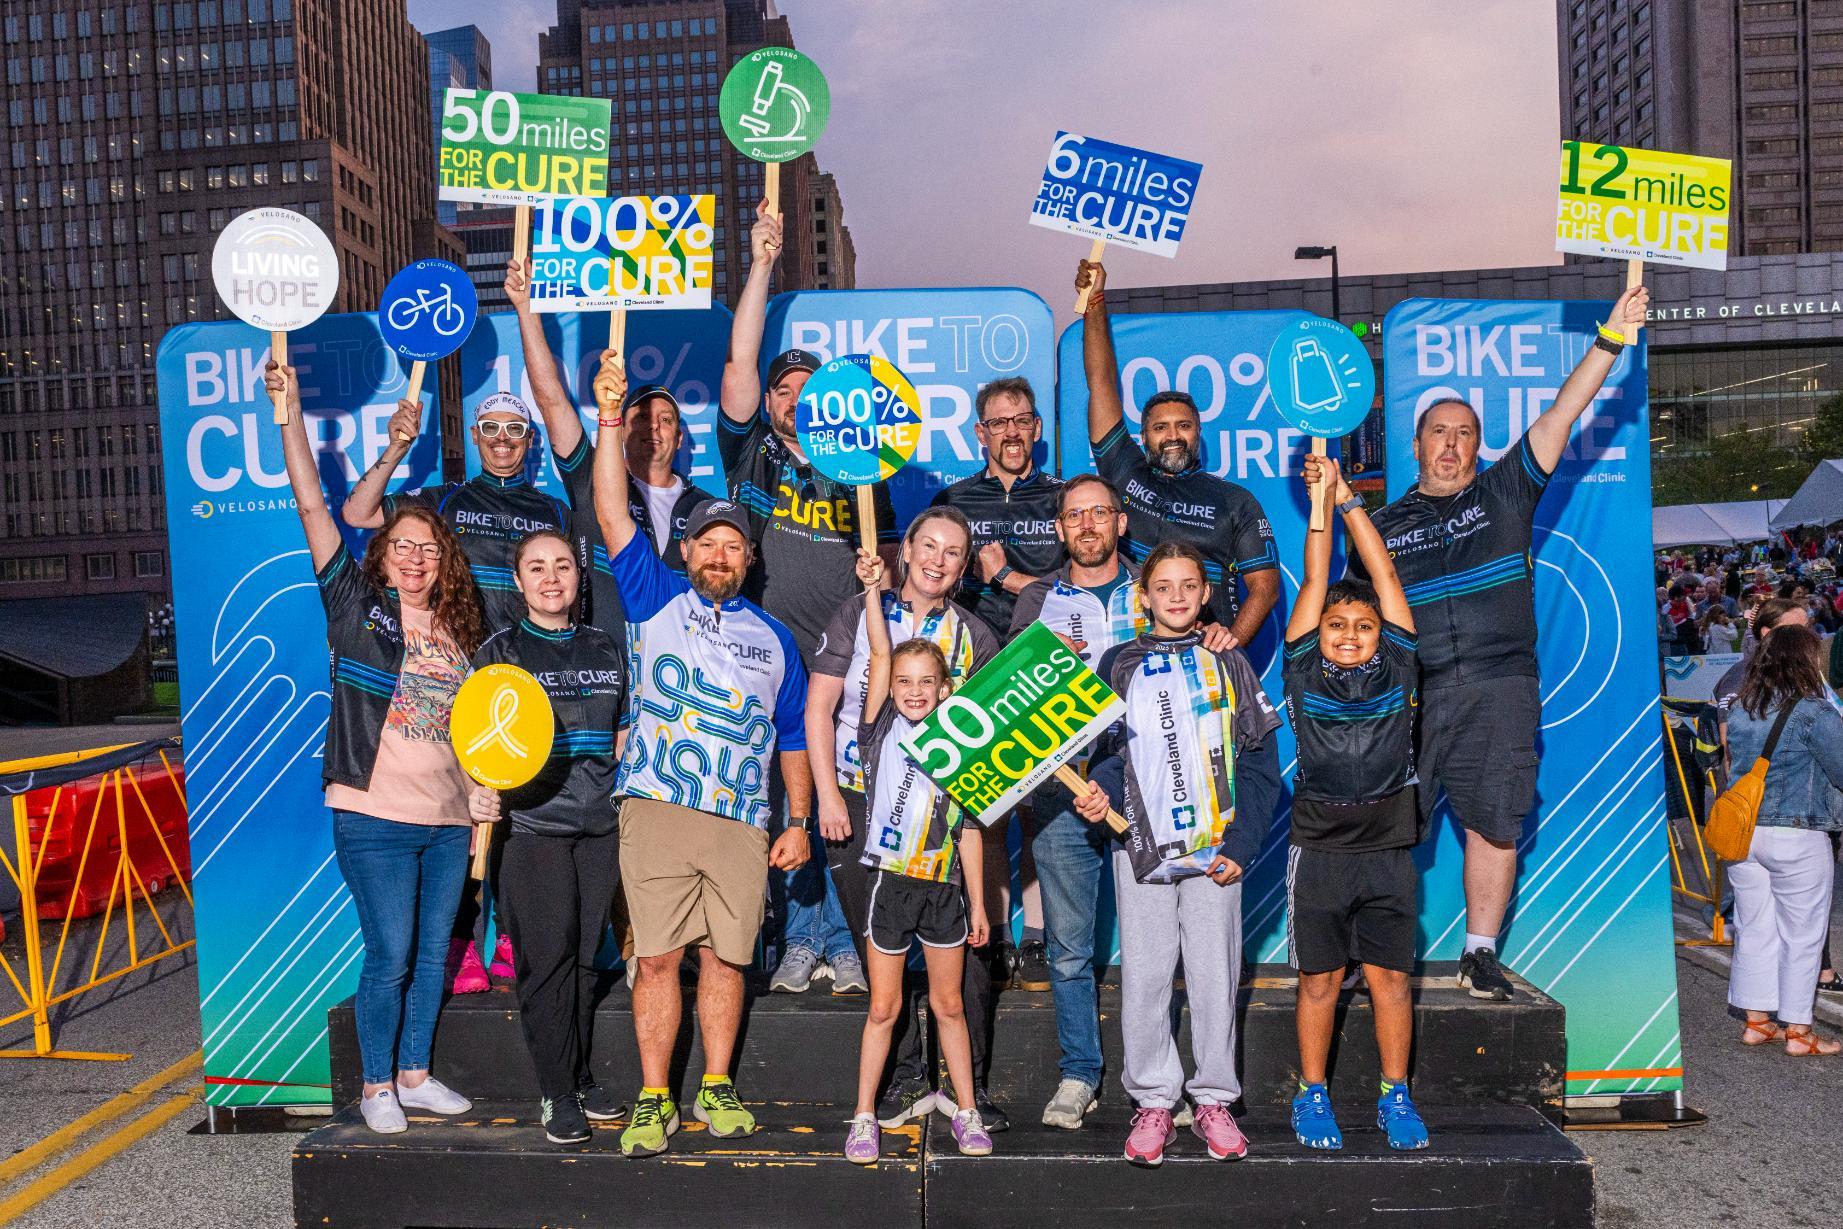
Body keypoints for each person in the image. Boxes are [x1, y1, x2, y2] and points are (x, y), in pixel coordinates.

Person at [1336, 281, 1651, 1001]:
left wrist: (1610, 336)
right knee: (1385, 828)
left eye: (1462, 433)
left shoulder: (1506, 491)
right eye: (1437, 432)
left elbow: (1564, 410)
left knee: (1496, 822)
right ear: (1415, 444)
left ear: (1478, 446)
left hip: (1500, 686)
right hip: (1409, 696)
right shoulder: (1379, 529)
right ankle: (1366, 950)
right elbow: (1349, 621)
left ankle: (1478, 954)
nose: (1449, 444)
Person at [588, 351, 815, 1157]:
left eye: (733, 546)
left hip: (741, 821)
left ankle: (715, 1084)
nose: (720, 555)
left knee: (727, 959)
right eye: (707, 543)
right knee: (656, 961)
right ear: (683, 551)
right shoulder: (653, 597)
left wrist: (798, 819)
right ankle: (655, 1096)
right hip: (656, 808)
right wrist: (608, 418)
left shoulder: (775, 637)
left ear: (749, 559)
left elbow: (794, 735)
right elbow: (610, 509)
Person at [270, 360, 486, 1135]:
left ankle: (415, 1074)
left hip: (449, 821)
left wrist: (482, 792)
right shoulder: (356, 609)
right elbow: (312, 503)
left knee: (432, 955)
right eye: (403, 545)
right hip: (374, 815)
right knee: (390, 953)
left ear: (444, 560)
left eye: (430, 547)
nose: (417, 557)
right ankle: (375, 1085)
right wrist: (290, 413)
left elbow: (477, 730)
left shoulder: (461, 630)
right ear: (382, 554)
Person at [341, 369, 578, 995]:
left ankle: (509, 937)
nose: (502, 439)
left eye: (515, 430)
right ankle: (459, 943)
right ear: (475, 436)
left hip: (530, 679)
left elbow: (573, 589)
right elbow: (358, 512)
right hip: (459, 677)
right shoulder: (444, 501)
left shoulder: (554, 510)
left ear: (529, 440)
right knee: (460, 815)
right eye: (491, 428)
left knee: (518, 814)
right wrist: (395, 448)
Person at [716, 201, 897, 996]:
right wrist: (761, 261)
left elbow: (889, 554)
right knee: (782, 798)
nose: (792, 398)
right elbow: (739, 361)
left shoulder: (860, 464)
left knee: (841, 796)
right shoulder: (751, 449)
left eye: (806, 388)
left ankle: (845, 941)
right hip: (764, 653)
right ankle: (798, 938)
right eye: (782, 389)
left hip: (844, 656)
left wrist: (881, 573)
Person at [1078, 541, 1282, 1166]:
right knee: (1144, 977)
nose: (1176, 597)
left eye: (1188, 585)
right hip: (1141, 848)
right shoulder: (1118, 662)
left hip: (1216, 851)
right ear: (1143, 597)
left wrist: (1243, 845)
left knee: (1215, 976)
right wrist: (1100, 795)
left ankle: (1214, 1099)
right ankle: (1154, 1102)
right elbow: (1108, 755)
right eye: (1162, 587)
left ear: (1205, 594)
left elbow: (1260, 762)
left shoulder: (1229, 660)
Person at [809, 506, 1003, 1129]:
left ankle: (966, 1090)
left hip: (943, 811)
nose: (937, 560)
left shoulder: (976, 635)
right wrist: (827, 797)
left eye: (953, 551)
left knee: (962, 956)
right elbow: (819, 709)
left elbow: (994, 732)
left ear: (964, 566)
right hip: (858, 800)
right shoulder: (857, 611)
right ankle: (905, 1078)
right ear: (907, 549)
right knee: (881, 955)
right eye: (929, 545)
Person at [1283, 456, 1430, 1153]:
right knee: (1320, 981)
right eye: (1337, 624)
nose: (1348, 633)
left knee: (1391, 979)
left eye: (1362, 625)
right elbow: (1316, 578)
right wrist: (1321, 498)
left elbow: (1387, 577)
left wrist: (1348, 502)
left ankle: (1394, 1093)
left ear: (1380, 633)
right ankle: (1311, 1093)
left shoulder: (1399, 664)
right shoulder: (1302, 666)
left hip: (1387, 851)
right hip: (1320, 850)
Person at [472, 529, 629, 1146]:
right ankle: (556, 1092)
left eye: (562, 565)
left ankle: (581, 1078)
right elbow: (475, 741)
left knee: (587, 959)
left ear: (578, 576)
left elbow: (623, 730)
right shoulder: (499, 654)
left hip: (601, 828)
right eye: (536, 568)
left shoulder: (606, 646)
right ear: (518, 582)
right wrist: (475, 791)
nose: (551, 578)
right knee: (547, 962)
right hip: (533, 828)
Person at [843, 551, 995, 1164]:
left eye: (925, 682)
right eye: (903, 682)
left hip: (944, 889)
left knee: (950, 1005)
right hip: (890, 885)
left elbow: (970, 830)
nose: (912, 691)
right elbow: (880, 653)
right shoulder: (878, 730)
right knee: (883, 1008)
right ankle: (862, 1117)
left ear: (944, 688)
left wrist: (978, 904)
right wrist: (873, 592)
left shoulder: (958, 744)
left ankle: (967, 1110)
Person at [1005, 474, 1147, 1130]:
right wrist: (1040, 665)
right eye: (1074, 516)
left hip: (1149, 786)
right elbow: (1009, 692)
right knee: (1067, 949)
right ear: (1060, 529)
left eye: (1099, 512)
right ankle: (1079, 1073)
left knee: (1155, 946)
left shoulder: (1156, 586)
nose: (1087, 524)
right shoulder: (1038, 598)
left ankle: (1155, 1078)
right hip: (1065, 788)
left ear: (1120, 521)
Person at [929, 376, 1064, 992]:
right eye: (999, 422)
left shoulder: (1062, 498)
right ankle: (995, 933)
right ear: (980, 433)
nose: (1012, 432)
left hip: (1045, 667)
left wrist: (1008, 578)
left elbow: (1076, 590)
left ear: (1036, 428)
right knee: (985, 809)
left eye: (1022, 420)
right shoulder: (954, 500)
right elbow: (931, 578)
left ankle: (1035, 935)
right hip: (974, 669)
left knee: (1040, 809)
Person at [1076, 259, 1280, 648]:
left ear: (1198, 432)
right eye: (1160, 428)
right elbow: (1101, 382)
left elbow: (1265, 588)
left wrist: (1228, 649)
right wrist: (1095, 301)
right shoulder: (1123, 469)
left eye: (1183, 426)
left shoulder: (1235, 501)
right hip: (1128, 646)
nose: (1173, 436)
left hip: (1201, 652)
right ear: (1142, 437)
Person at [507, 256, 711, 602]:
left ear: (679, 439)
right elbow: (551, 401)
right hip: (601, 638)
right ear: (620, 430)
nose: (653, 426)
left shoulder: (704, 508)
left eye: (665, 420)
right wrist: (526, 308)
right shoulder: (591, 478)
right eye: (641, 418)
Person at [1723, 625, 1842, 1056]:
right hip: (1797, 831)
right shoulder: (1815, 711)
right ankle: (1799, 1031)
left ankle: (1757, 1022)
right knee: (1803, 934)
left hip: (1744, 832)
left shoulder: (1742, 708)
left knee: (1754, 927)